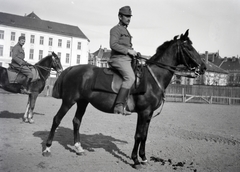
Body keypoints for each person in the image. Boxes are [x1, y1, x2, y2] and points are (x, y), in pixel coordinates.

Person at [108, 6, 138, 115]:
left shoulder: (126, 31)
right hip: (118, 59)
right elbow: (113, 45)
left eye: (130, 16)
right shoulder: (115, 30)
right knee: (130, 77)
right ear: (120, 17)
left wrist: (134, 52)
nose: (129, 18)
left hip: (127, 58)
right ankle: (119, 105)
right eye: (126, 16)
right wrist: (128, 51)